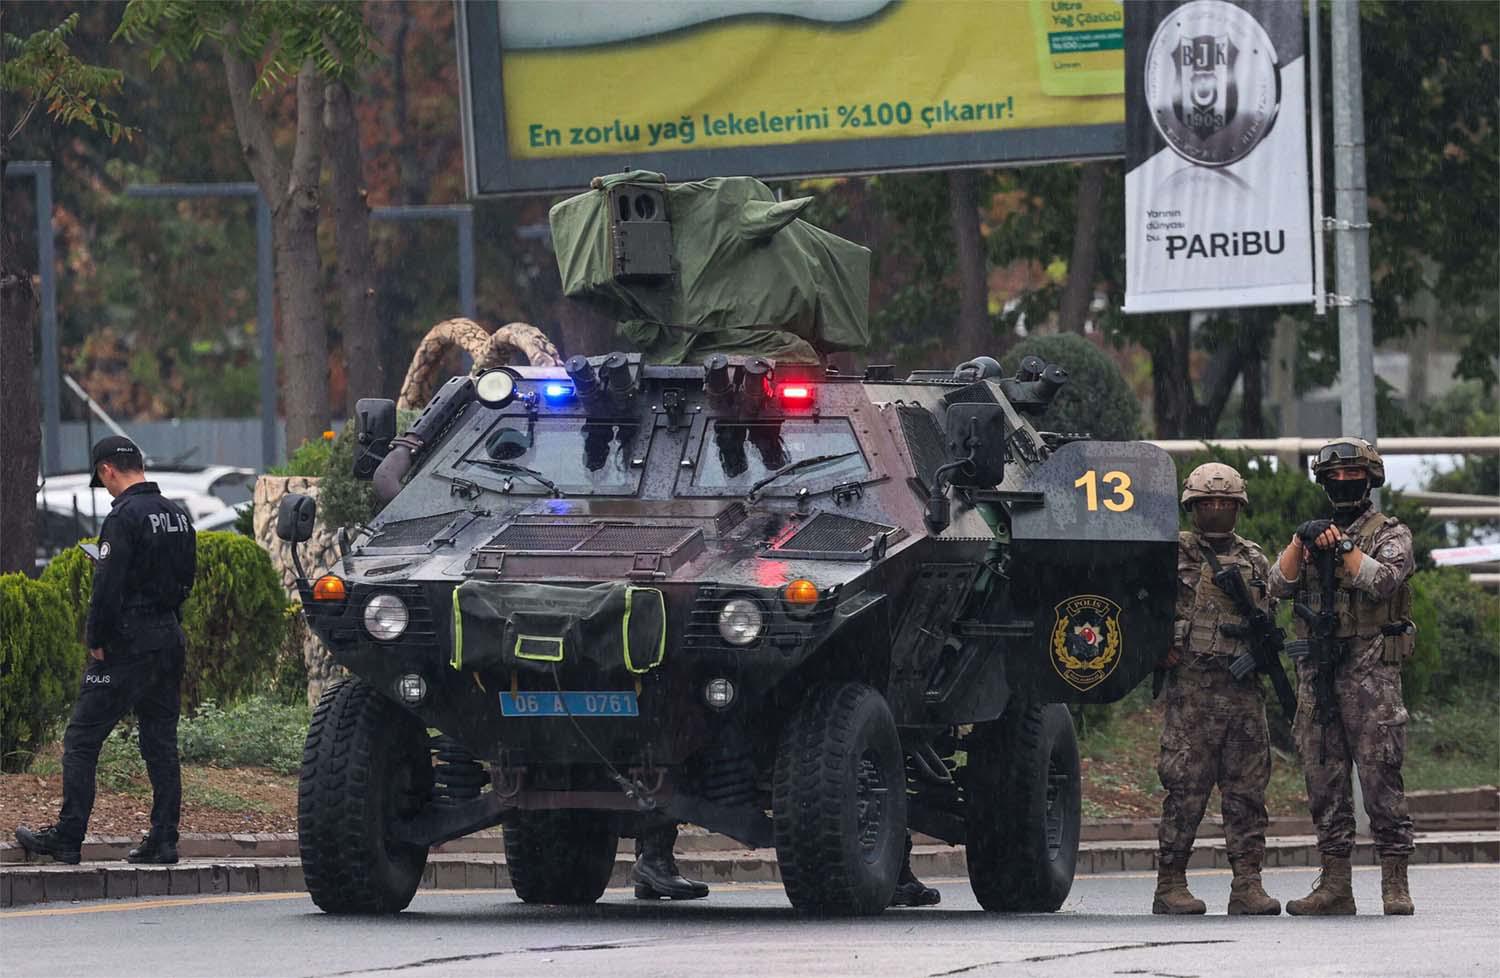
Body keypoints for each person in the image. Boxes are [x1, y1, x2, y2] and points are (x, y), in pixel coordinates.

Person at [15, 436, 197, 866]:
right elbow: (187, 577)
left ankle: (67, 836)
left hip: (128, 642)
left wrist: (97, 639)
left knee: (81, 739)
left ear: (107, 470)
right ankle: (164, 839)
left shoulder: (124, 517)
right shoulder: (177, 515)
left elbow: (108, 586)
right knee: (160, 742)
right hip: (168, 637)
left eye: (104, 480)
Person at [1269, 438, 1416, 916]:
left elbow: (1382, 581)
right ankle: (1335, 885)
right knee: (1323, 779)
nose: (1344, 484)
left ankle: (1395, 882)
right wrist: (1300, 542)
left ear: (1371, 481)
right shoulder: (1314, 537)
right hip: (1320, 676)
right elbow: (1277, 586)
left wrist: (1346, 545)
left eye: (1354, 477)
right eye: (1335, 478)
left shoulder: (1390, 534)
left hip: (1372, 677)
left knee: (1380, 778)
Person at [1153, 463, 1280, 916]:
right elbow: (1141, 605)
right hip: (1194, 691)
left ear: (1238, 507)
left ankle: (1247, 884)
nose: (1217, 510)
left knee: (1247, 791)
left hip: (1244, 692)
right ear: (1192, 507)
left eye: (1225, 503)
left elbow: (1270, 613)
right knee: (1185, 789)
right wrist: (1159, 645)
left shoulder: (1254, 558)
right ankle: (1170, 884)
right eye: (1208, 503)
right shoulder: (1173, 554)